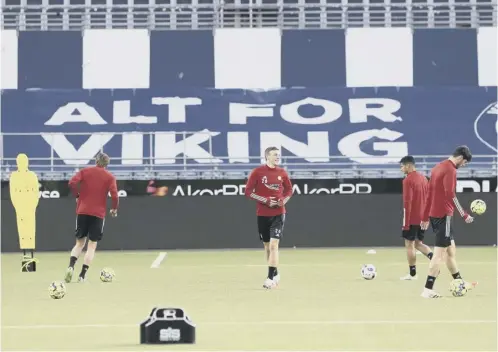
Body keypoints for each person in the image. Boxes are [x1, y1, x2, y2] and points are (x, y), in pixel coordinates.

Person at [420, 146, 478, 298]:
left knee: (450, 251)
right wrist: (464, 214)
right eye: (465, 163)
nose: (464, 165)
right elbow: (451, 195)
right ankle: (427, 289)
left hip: (434, 215)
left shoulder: (437, 167)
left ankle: (459, 282)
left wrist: (426, 216)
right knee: (439, 254)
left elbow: (429, 194)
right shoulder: (451, 170)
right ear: (460, 158)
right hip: (444, 216)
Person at [64, 153, 119, 283]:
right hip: (98, 214)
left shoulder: (85, 171)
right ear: (107, 164)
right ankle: (82, 275)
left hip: (82, 211)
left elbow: (72, 182)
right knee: (92, 245)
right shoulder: (110, 177)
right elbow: (115, 195)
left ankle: (71, 266)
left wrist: (77, 195)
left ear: (96, 161)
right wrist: (114, 208)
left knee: (79, 243)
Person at [245, 147, 293, 289]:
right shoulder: (257, 172)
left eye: (279, 154)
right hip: (263, 214)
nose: (278, 157)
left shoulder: (282, 172)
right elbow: (248, 192)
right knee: (267, 246)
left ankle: (270, 278)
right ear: (267, 157)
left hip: (279, 213)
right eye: (275, 155)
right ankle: (275, 272)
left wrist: (284, 200)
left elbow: (289, 190)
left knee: (274, 245)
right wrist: (266, 201)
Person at [399, 156, 435, 280]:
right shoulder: (424, 178)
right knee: (419, 243)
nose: (401, 169)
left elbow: (407, 202)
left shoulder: (407, 180)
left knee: (409, 244)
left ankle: (412, 274)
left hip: (412, 218)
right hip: (423, 217)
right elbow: (429, 198)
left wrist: (406, 223)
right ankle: (434, 259)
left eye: (402, 166)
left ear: (408, 166)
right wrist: (427, 217)